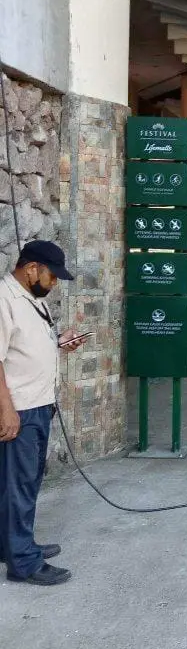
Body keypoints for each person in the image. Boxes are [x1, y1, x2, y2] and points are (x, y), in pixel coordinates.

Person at [0, 241, 88, 586]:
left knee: (21, 482)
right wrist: (6, 411)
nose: (55, 284)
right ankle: (23, 562)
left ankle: (13, 545)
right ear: (32, 268)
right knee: (19, 485)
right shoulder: (5, 300)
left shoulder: (32, 300)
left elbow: (25, 349)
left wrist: (59, 343)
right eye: (52, 276)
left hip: (38, 404)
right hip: (19, 409)